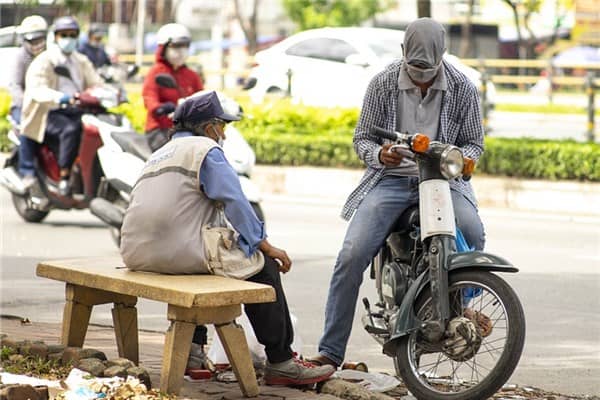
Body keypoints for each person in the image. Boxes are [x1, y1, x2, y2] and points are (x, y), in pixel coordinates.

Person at [119, 91, 336, 386]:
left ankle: (194, 352)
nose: (223, 133)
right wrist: (267, 246)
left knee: (201, 264)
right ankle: (281, 361)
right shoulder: (206, 151)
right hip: (178, 253)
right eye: (222, 126)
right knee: (263, 267)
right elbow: (236, 203)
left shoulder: (159, 152)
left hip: (136, 253)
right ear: (209, 127)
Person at [308, 18, 486, 369]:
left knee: (475, 233)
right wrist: (379, 155)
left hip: (442, 182)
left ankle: (457, 309)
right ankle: (330, 351)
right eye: (414, 66)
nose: (420, 75)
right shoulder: (382, 83)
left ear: (443, 57)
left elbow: (474, 143)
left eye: (428, 69)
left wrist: (465, 160)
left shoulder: (463, 88)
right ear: (403, 53)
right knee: (350, 256)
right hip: (390, 180)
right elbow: (362, 138)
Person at [21, 16, 103, 196]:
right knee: (70, 130)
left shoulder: (80, 60)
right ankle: (64, 176)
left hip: (78, 109)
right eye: (64, 35)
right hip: (48, 112)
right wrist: (61, 98)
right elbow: (37, 90)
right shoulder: (44, 61)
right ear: (56, 37)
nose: (68, 39)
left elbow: (96, 82)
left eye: (72, 35)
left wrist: (107, 93)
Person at [142, 23, 203, 151]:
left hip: (187, 130)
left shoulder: (191, 75)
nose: (181, 51)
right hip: (161, 129)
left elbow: (202, 97)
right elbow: (149, 97)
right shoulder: (156, 72)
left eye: (185, 46)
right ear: (163, 48)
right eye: (176, 46)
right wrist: (160, 108)